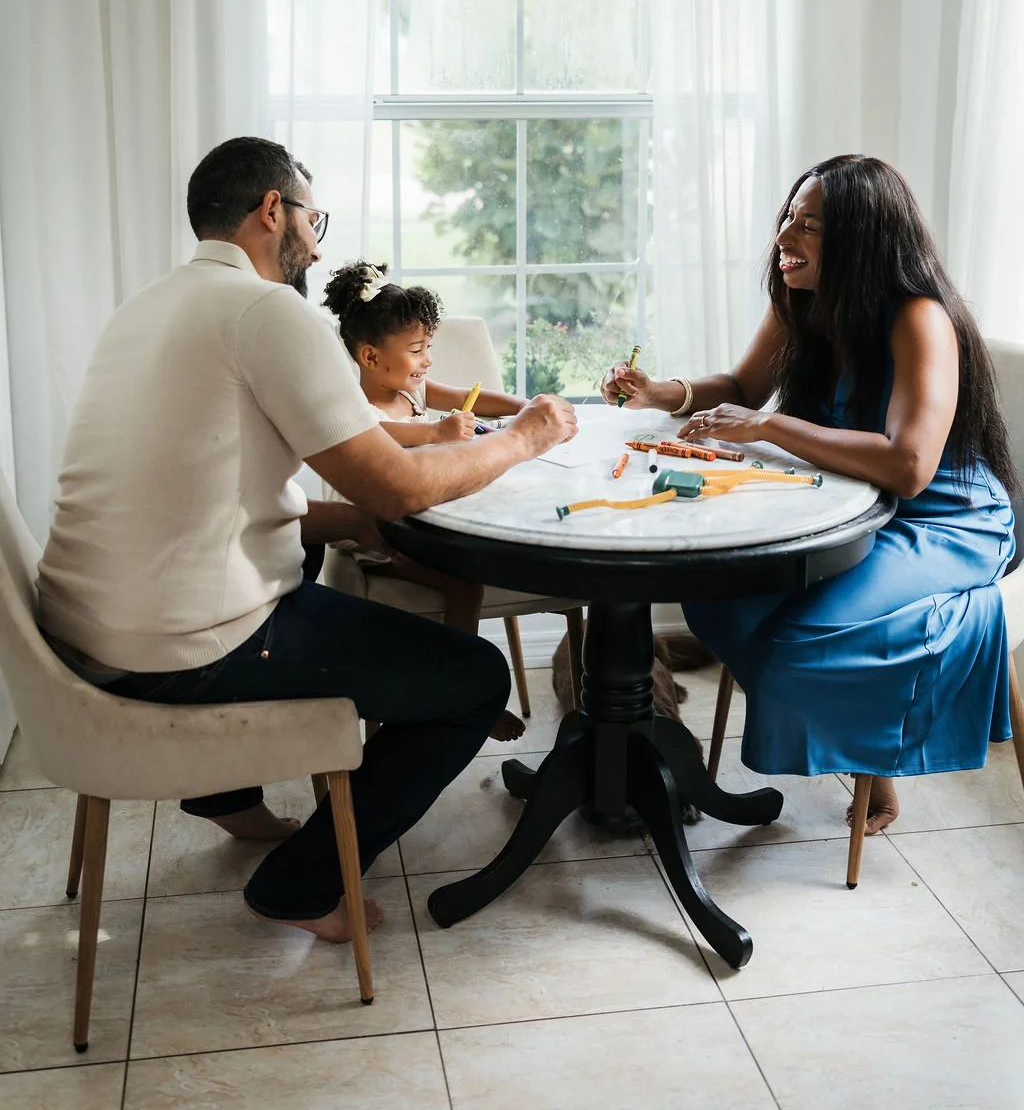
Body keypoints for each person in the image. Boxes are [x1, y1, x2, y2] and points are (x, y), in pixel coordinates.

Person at [37, 137, 576, 943]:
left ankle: (225, 794)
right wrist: (526, 437)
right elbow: (396, 484)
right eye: (311, 219)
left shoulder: (149, 305)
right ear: (270, 212)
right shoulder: (264, 310)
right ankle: (300, 885)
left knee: (320, 557)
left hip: (90, 634)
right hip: (183, 650)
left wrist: (353, 521)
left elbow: (218, 491)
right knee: (474, 676)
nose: (317, 244)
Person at [603, 154, 1017, 835]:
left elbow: (911, 466)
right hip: (849, 508)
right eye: (787, 218)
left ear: (862, 239)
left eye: (810, 225)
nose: (785, 238)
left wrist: (770, 427)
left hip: (943, 519)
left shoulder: (919, 319)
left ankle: (874, 761)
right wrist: (663, 393)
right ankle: (863, 743)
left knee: (800, 638)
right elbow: (741, 389)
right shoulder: (801, 299)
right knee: (716, 598)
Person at [319, 258, 528, 740]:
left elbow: (472, 395)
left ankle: (457, 685)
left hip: (425, 523)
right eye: (417, 350)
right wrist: (439, 429)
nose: (427, 361)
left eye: (428, 346)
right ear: (371, 357)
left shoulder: (412, 388)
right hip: (378, 540)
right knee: (465, 585)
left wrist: (527, 407)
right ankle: (463, 693)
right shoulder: (360, 412)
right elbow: (403, 440)